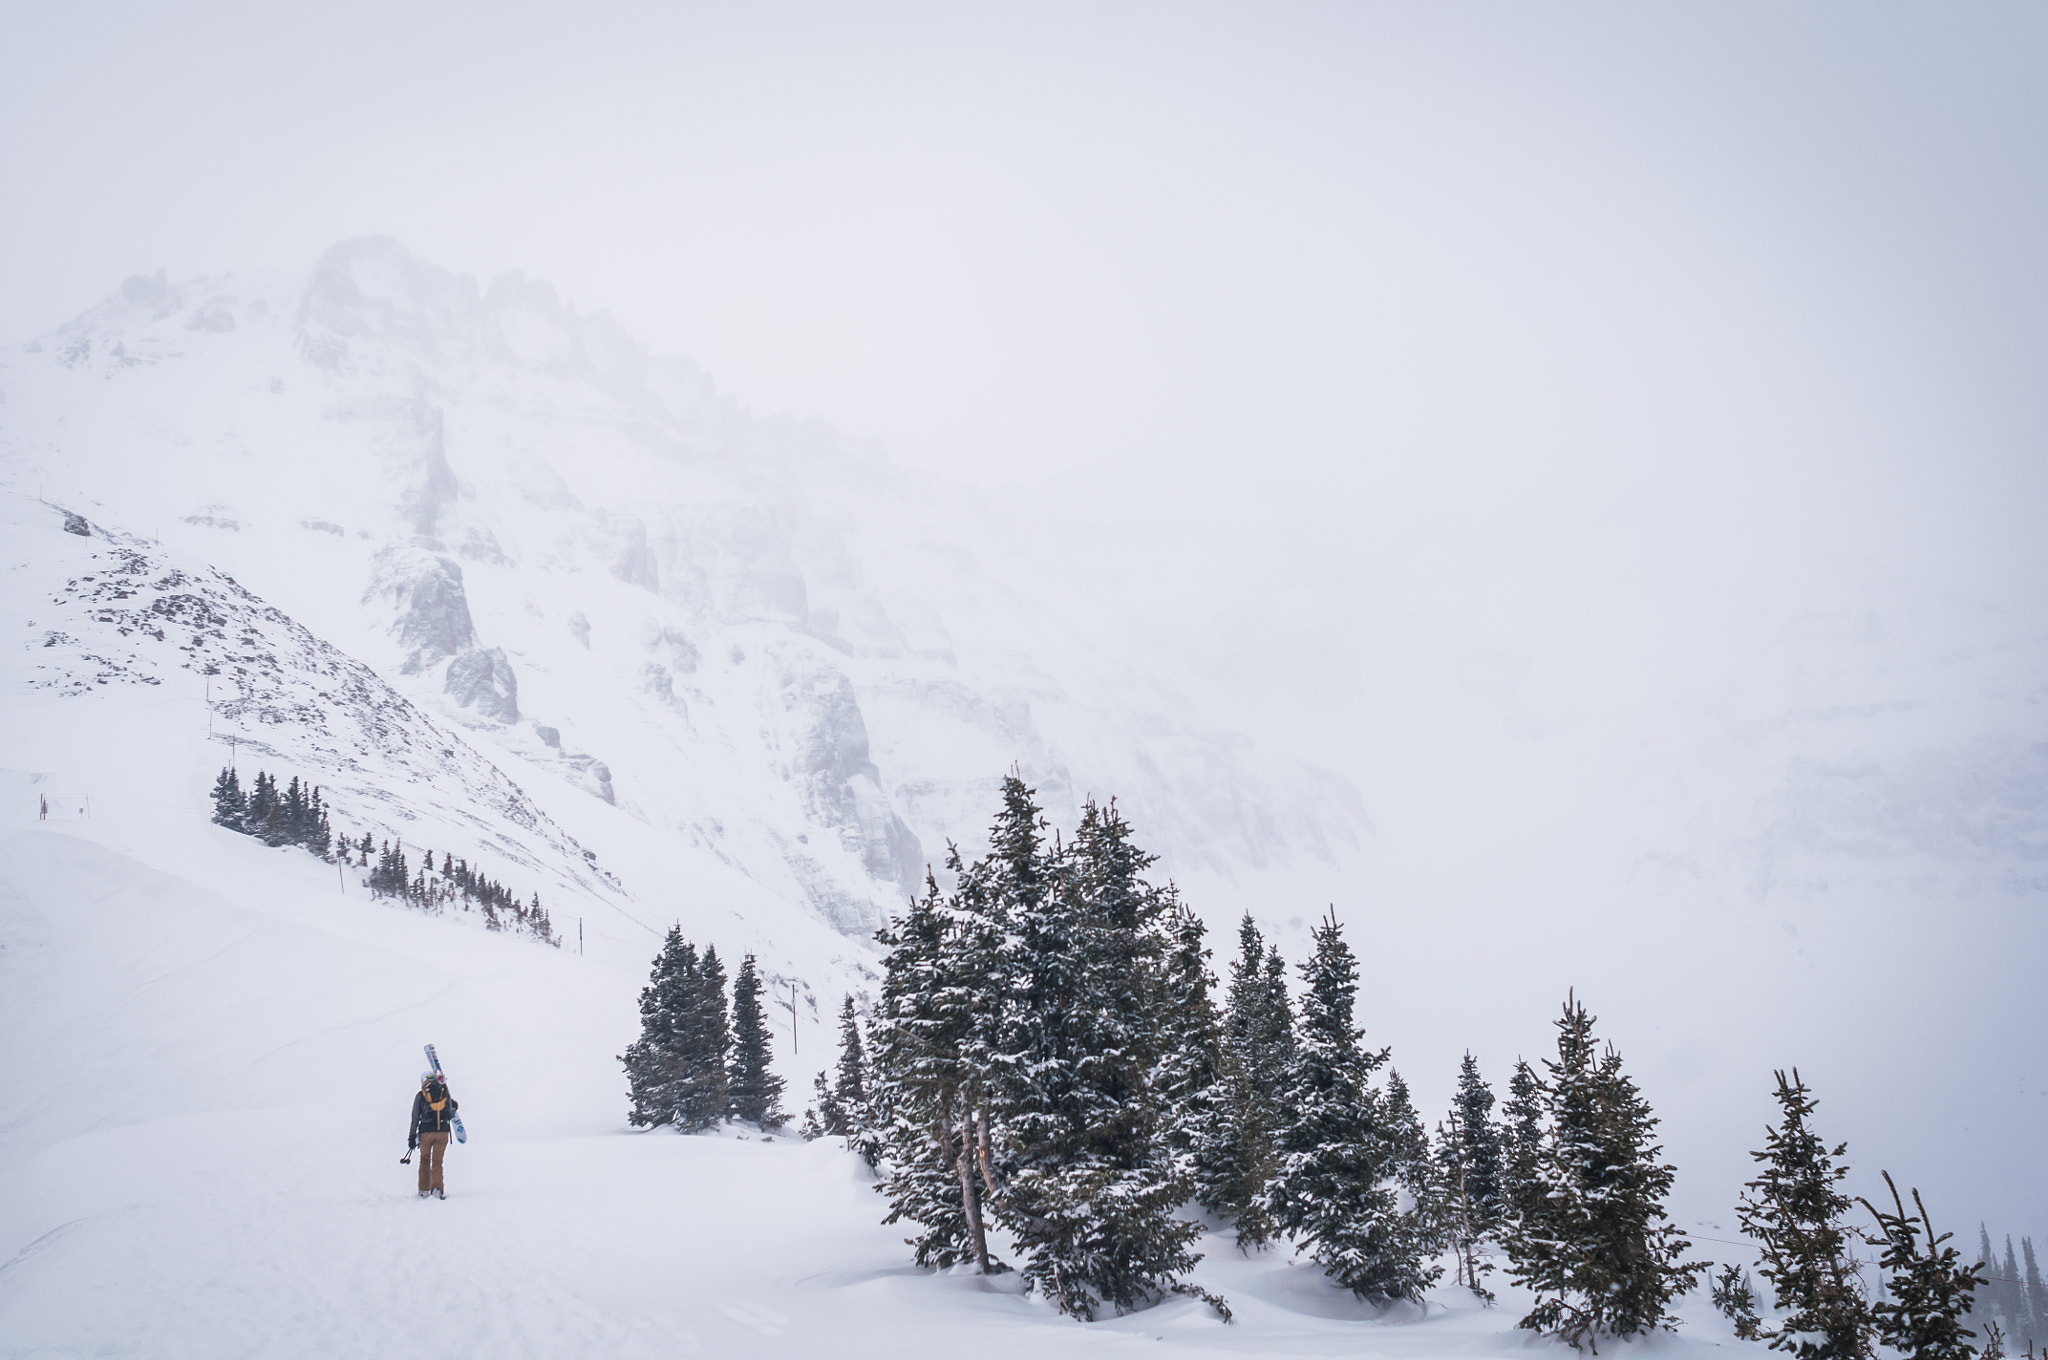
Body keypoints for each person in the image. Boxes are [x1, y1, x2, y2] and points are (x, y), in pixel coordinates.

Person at [407, 1069, 460, 1199]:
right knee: (437, 1162)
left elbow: (415, 1117)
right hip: (442, 1133)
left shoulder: (420, 1095)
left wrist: (412, 1136)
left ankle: (423, 1190)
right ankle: (437, 1189)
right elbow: (450, 1114)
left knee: (424, 1160)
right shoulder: (444, 1093)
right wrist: (454, 1107)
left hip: (426, 1133)